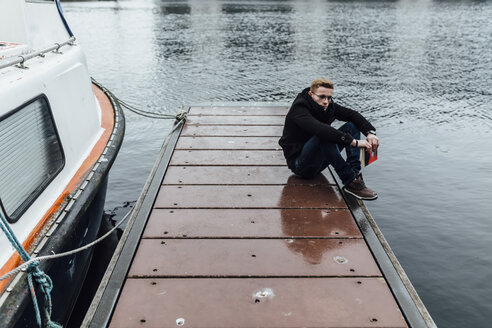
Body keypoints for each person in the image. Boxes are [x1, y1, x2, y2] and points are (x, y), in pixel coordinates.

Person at [278, 78, 379, 200]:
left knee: (352, 126)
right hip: (300, 166)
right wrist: (354, 142)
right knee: (324, 135)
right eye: (322, 97)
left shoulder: (328, 106)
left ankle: (355, 175)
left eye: (329, 97)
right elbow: (320, 129)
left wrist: (370, 132)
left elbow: (352, 115)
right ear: (311, 94)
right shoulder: (299, 110)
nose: (326, 101)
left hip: (319, 162)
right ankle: (349, 181)